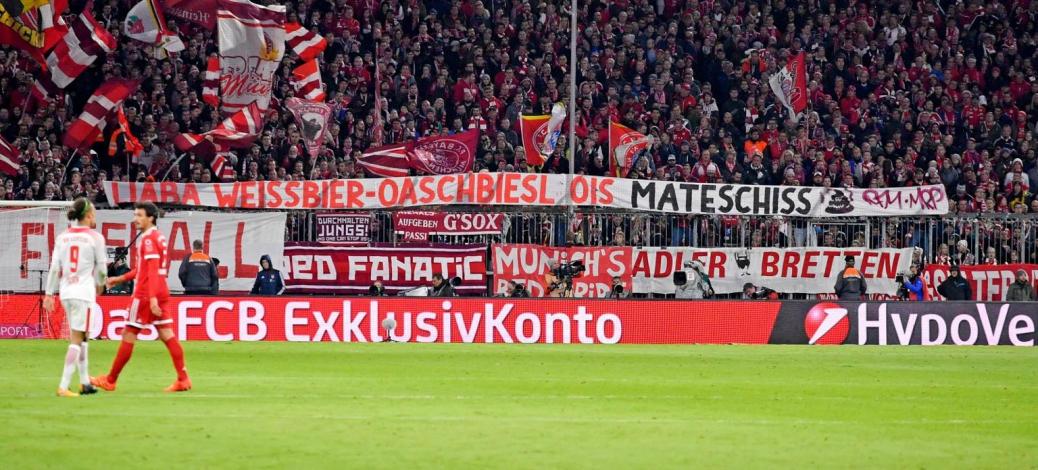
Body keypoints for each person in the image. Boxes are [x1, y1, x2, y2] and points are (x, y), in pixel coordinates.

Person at [93, 202, 191, 392]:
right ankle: (183, 378)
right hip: (160, 288)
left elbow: (151, 270)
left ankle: (110, 380)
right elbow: (143, 269)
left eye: (139, 215)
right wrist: (120, 278)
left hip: (147, 292)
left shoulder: (147, 239)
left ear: (150, 218)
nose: (135, 219)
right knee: (166, 334)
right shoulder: (159, 237)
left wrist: (152, 298)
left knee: (129, 333)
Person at [44, 198, 107, 397]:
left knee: (83, 336)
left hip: (66, 291)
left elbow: (55, 267)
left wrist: (48, 293)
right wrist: (100, 283)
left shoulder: (63, 237)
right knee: (77, 339)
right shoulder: (95, 238)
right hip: (83, 292)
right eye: (94, 213)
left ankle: (85, 382)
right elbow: (102, 269)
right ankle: (63, 386)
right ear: (88, 215)